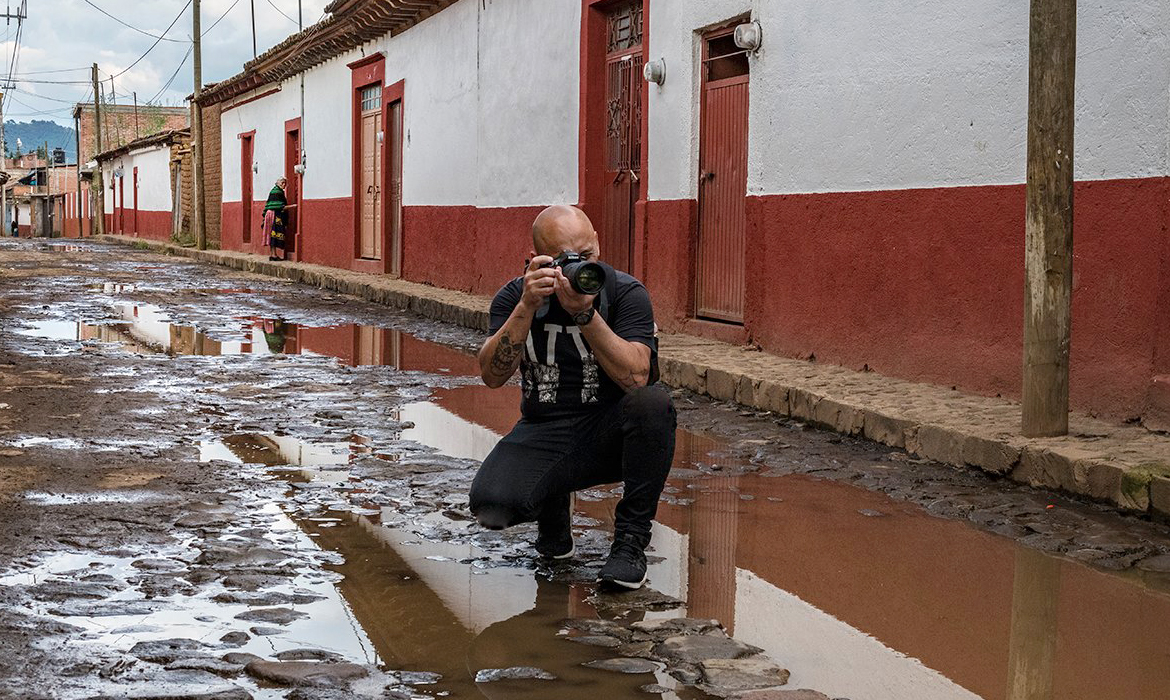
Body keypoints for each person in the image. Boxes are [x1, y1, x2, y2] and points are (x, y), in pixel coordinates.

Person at [470, 205, 676, 591]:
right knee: (491, 508)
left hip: (610, 430)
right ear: (535, 260)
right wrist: (526, 307)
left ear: (598, 246)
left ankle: (630, 544)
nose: (578, 268)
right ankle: (553, 512)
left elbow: (636, 376)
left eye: (587, 257)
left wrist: (586, 315)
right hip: (544, 426)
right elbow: (492, 376)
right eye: (566, 260)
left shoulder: (625, 293)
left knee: (653, 404)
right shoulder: (516, 297)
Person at [261, 177, 294, 261]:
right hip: (274, 215)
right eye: (283, 183)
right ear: (279, 183)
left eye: (285, 184)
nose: (284, 185)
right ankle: (274, 255)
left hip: (269, 215)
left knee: (271, 234)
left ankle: (272, 254)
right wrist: (293, 206)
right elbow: (279, 206)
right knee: (274, 234)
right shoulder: (278, 192)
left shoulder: (273, 190)